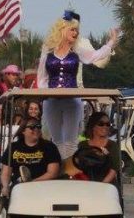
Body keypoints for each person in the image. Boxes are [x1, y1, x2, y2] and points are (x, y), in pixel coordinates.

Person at [36, 11, 120, 157]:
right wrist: (46, 92)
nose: (75, 33)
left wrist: (111, 42)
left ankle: (70, 172)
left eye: (77, 30)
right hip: (52, 101)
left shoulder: (77, 51)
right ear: (62, 30)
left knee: (70, 141)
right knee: (56, 140)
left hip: (72, 101)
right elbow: (41, 78)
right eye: (72, 29)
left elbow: (96, 56)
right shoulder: (48, 51)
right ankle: (59, 172)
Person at [3, 121, 62, 189]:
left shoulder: (49, 146)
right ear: (23, 131)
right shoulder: (13, 147)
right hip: (19, 186)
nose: (36, 129)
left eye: (38, 127)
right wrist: (5, 186)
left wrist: (31, 182)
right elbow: (6, 173)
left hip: (44, 186)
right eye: (32, 127)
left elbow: (53, 173)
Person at [70, 111, 121, 185]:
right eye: (101, 124)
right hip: (86, 183)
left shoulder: (112, 145)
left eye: (108, 124)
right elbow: (77, 164)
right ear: (93, 126)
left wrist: (101, 185)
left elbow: (113, 170)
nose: (105, 127)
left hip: (106, 184)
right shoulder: (83, 145)